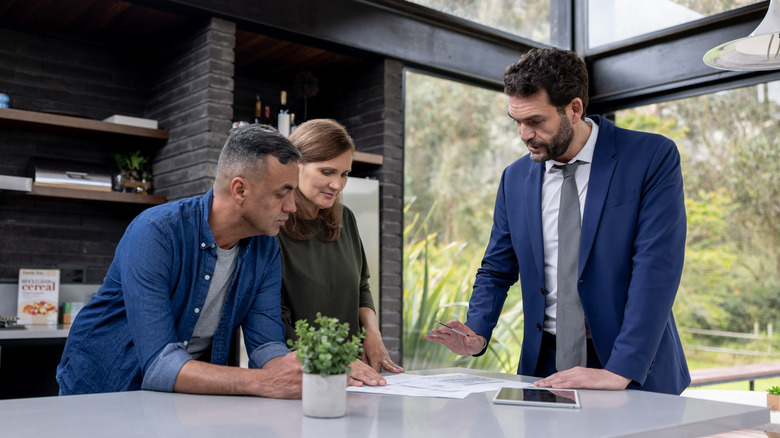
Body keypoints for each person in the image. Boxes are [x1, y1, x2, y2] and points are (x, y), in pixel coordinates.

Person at [425, 48, 690, 395]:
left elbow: (656, 267)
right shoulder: (514, 178)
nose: (523, 134)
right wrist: (475, 333)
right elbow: (496, 269)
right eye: (516, 121)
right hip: (545, 368)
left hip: (630, 366)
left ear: (574, 109)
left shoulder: (651, 157)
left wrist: (620, 370)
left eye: (535, 121)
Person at [56, 124, 379, 398]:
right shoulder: (156, 232)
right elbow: (159, 365)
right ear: (240, 189)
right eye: (282, 193)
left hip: (183, 393)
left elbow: (266, 345)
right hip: (103, 388)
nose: (292, 207)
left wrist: (314, 365)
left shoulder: (265, 249)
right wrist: (266, 382)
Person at [278, 119, 404, 382]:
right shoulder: (274, 226)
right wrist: (332, 359)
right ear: (296, 165)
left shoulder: (345, 219)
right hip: (303, 376)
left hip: (352, 375)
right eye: (327, 172)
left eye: (344, 174)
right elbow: (275, 320)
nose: (337, 184)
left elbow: (361, 287)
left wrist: (372, 332)